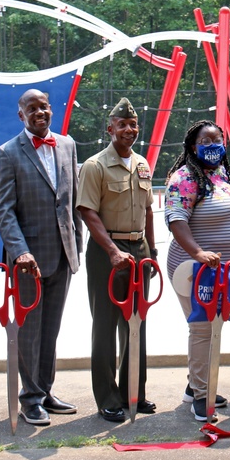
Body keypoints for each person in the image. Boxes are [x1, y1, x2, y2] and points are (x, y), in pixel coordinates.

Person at [0, 89, 84, 426]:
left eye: (43, 107)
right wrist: (20, 252)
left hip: (62, 256)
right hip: (27, 262)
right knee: (29, 332)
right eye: (31, 109)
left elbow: (72, 198)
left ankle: (45, 390)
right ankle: (29, 399)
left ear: (51, 109)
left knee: (51, 330)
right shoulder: (7, 154)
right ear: (21, 115)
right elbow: (3, 210)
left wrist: (77, 244)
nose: (39, 113)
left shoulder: (68, 145)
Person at [78, 97, 157, 423]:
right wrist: (111, 250)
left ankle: (133, 392)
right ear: (109, 128)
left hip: (138, 252)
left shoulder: (142, 164)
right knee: (106, 326)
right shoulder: (95, 166)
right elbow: (87, 211)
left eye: (133, 124)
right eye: (122, 125)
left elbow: (149, 209)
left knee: (137, 325)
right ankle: (108, 398)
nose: (129, 130)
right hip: (106, 252)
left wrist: (151, 251)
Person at [164, 120, 230, 421]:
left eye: (218, 139)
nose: (213, 145)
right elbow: (176, 221)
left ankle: (195, 383)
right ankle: (201, 395)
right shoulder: (184, 178)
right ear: (192, 146)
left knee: (214, 327)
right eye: (205, 140)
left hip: (226, 271)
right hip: (193, 269)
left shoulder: (226, 176)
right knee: (202, 328)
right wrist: (198, 253)